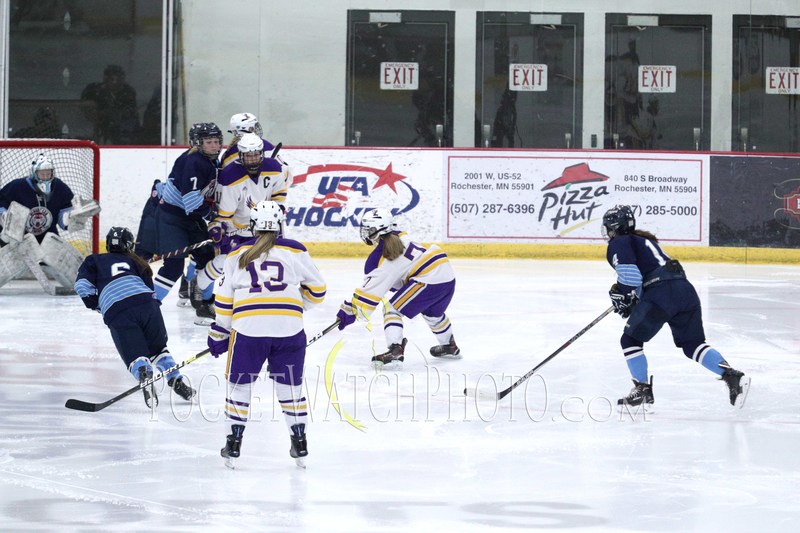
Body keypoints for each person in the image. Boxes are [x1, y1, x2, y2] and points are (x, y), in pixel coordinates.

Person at [206, 200, 326, 469]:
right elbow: (318, 290)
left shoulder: (237, 254)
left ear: (252, 225)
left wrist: (218, 333)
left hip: (249, 331)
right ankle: (300, 442)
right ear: (281, 225)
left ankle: (234, 443)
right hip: (290, 331)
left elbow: (224, 302)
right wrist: (293, 306)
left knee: (240, 386)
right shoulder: (296, 250)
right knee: (291, 387)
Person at [601, 205, 751, 408]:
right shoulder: (645, 241)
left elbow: (631, 277)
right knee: (692, 345)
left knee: (630, 340)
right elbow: (646, 275)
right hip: (684, 291)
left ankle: (643, 389)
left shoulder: (620, 242)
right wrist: (632, 298)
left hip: (662, 293)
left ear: (613, 227)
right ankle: (732, 376)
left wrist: (622, 292)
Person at [74, 227, 196, 407]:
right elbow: (149, 289)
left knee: (136, 356)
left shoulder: (94, 260)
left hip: (119, 310)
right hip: (148, 304)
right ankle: (175, 379)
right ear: (130, 245)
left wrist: (99, 304)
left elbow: (82, 285)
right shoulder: (138, 263)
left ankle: (144, 373)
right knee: (159, 349)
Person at [335, 209, 460, 366]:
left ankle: (395, 351)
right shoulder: (400, 236)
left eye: (368, 229)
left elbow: (370, 292)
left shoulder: (381, 258)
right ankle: (450, 346)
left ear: (376, 231)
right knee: (432, 314)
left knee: (391, 310)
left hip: (428, 279)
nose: (365, 232)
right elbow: (402, 270)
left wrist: (351, 310)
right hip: (445, 275)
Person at [193, 132, 289, 308]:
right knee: (225, 262)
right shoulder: (230, 177)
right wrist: (219, 228)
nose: (252, 160)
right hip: (237, 226)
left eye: (255, 155)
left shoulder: (274, 168)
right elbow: (224, 214)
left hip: (265, 226)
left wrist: (275, 211)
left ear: (261, 153)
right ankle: (198, 285)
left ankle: (264, 297)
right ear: (241, 156)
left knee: (272, 260)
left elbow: (279, 194)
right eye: (248, 156)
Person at [0, 153, 100, 291]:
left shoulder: (59, 187)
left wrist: (69, 217)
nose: (46, 176)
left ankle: (82, 281)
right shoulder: (18, 186)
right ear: (34, 173)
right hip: (19, 239)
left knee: (58, 253)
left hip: (47, 238)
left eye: (48, 173)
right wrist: (3, 214)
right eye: (42, 173)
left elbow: (64, 216)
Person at [153, 122, 220, 324]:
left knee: (207, 258)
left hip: (189, 218)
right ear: (198, 143)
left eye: (217, 141)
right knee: (173, 265)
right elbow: (191, 204)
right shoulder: (193, 162)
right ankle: (149, 307)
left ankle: (203, 305)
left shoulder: (210, 160)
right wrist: (215, 215)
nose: (215, 146)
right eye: (209, 142)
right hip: (171, 218)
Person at [81, 64, 140, 144]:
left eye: (118, 79)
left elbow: (129, 114)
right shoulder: (93, 91)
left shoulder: (128, 92)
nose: (114, 82)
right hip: (94, 130)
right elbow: (85, 108)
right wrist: (98, 115)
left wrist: (112, 114)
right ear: (105, 79)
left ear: (123, 79)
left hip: (121, 132)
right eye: (111, 79)